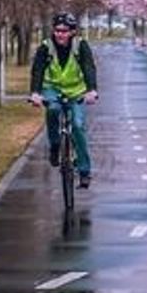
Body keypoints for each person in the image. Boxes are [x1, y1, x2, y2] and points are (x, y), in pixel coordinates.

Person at [30, 12, 98, 188]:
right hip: (52, 89)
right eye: (57, 30)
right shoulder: (46, 46)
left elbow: (89, 67)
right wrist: (35, 93)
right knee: (53, 109)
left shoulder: (80, 46)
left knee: (77, 125)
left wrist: (91, 90)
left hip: (76, 92)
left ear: (72, 32)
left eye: (64, 31)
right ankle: (54, 145)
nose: (60, 34)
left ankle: (84, 171)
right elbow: (37, 70)